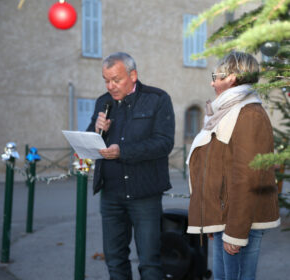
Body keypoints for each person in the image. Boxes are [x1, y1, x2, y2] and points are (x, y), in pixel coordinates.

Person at [186, 51, 280, 280]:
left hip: (237, 222)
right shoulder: (226, 112)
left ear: (232, 78)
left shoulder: (249, 114)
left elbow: (247, 177)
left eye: (216, 76)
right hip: (223, 218)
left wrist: (235, 232)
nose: (212, 82)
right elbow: (215, 167)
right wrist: (209, 218)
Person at [87, 52, 175, 280]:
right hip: (111, 195)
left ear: (133, 75)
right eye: (106, 80)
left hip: (145, 194)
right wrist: (97, 131)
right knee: (115, 260)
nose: (111, 86)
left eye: (116, 79)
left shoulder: (158, 99)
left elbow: (164, 143)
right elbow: (90, 141)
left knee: (149, 263)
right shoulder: (102, 102)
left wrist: (122, 152)